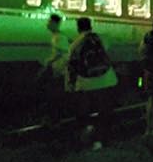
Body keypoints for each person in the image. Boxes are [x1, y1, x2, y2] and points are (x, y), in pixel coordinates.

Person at [66, 17, 118, 149]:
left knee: (86, 113)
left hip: (85, 83)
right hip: (107, 80)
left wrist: (71, 85)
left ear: (78, 28)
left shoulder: (75, 44)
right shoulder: (102, 39)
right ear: (91, 26)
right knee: (104, 112)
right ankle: (102, 140)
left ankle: (87, 138)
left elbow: (72, 66)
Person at [39, 13, 69, 124]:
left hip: (59, 70)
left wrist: (48, 62)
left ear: (55, 24)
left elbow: (62, 54)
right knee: (54, 95)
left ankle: (55, 118)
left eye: (49, 22)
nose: (47, 24)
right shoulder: (57, 36)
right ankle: (54, 118)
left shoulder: (60, 37)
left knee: (55, 95)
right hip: (57, 69)